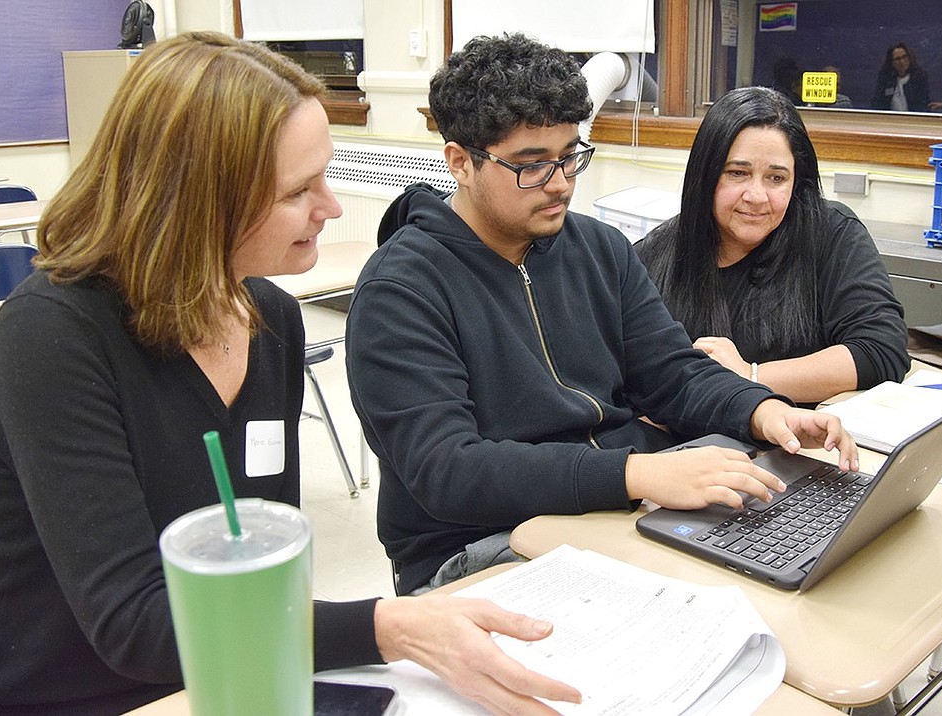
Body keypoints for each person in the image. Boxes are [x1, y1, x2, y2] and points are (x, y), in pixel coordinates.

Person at [0, 32, 582, 716]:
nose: (331, 209)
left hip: (234, 672)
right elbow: (133, 623)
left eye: (325, 177)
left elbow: (260, 562)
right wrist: (387, 626)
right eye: (297, 191)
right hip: (78, 693)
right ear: (191, 200)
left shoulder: (269, 321)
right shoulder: (52, 337)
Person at [345, 33, 858, 597]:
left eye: (570, 157)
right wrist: (636, 474)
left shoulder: (598, 248)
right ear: (460, 163)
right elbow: (450, 471)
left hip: (612, 505)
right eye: (532, 165)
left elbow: (671, 372)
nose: (561, 183)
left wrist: (764, 411)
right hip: (478, 546)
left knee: (790, 547)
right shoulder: (401, 290)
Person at [634, 86, 909, 405]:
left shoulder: (831, 233)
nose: (756, 196)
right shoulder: (653, 254)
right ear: (705, 175)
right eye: (737, 173)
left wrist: (748, 377)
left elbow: (882, 350)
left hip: (796, 441)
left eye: (776, 178)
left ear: (796, 182)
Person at [870, 42, 930, 112]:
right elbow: (877, 103)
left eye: (904, 57)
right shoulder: (885, 78)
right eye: (897, 59)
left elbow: (923, 104)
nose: (902, 61)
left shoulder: (919, 77)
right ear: (892, 62)